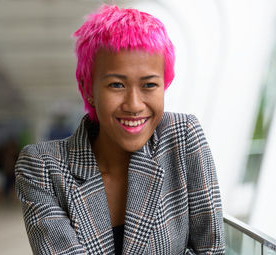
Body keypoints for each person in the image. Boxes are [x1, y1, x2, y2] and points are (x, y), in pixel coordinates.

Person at [15, 5, 224, 255]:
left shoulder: (182, 137)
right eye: (116, 84)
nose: (134, 105)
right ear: (88, 88)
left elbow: (211, 250)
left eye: (149, 85)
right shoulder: (42, 167)